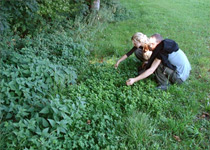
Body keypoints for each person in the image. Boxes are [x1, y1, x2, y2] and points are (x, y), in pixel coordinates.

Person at [126, 33, 191, 90]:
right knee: (156, 62)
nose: (150, 46)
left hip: (179, 78)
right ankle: (161, 76)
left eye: (152, 44)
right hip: (184, 72)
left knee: (158, 64)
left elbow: (151, 70)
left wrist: (134, 80)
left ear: (159, 42)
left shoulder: (162, 51)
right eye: (150, 43)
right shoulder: (167, 45)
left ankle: (165, 84)